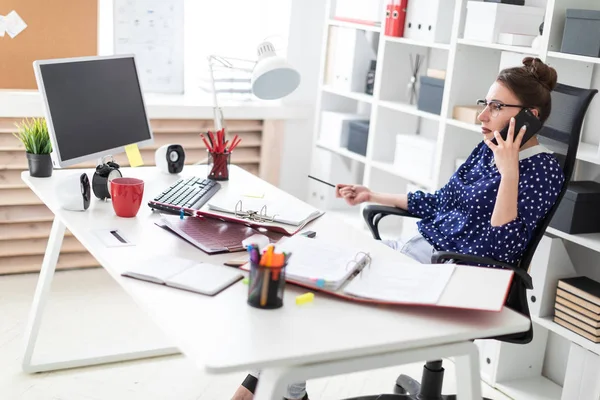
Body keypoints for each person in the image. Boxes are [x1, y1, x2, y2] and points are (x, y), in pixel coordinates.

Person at [230, 56, 564, 400]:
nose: (482, 116)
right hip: (415, 252)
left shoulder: (543, 172)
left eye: (495, 107)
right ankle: (281, 392)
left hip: (456, 277)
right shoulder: (487, 147)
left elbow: (500, 248)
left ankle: (273, 392)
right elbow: (440, 201)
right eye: (485, 104)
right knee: (306, 281)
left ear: (530, 116)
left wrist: (508, 172)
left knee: (322, 303)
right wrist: (371, 194)